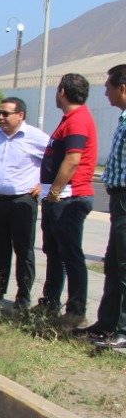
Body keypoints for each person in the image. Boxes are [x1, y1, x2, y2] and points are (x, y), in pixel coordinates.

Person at [37, 73, 98, 325]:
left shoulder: (78, 120)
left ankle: (75, 312)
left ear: (62, 91)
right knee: (55, 252)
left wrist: (54, 192)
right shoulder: (69, 119)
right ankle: (50, 303)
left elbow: (73, 159)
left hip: (70, 198)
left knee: (70, 255)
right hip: (60, 197)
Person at [0, 97, 50, 310]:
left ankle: (23, 296)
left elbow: (55, 159)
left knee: (23, 249)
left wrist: (42, 185)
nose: (1, 117)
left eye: (5, 114)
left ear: (21, 115)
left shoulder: (35, 137)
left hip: (22, 201)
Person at [79, 65, 126, 349]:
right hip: (118, 200)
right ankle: (106, 322)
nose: (105, 92)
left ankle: (122, 328)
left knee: (124, 266)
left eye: (108, 86)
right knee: (112, 263)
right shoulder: (123, 119)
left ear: (123, 87)